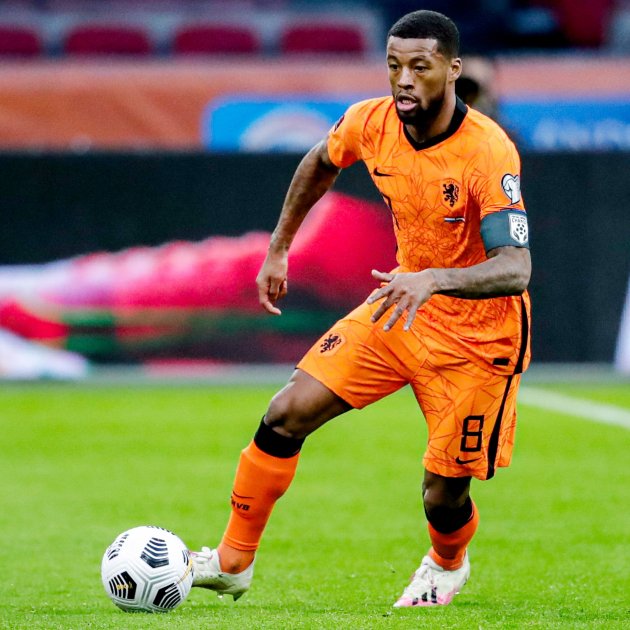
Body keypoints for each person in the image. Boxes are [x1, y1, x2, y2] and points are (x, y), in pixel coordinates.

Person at [190, 9, 532, 608]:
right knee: (286, 412)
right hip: (401, 309)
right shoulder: (370, 122)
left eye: (419, 67)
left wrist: (434, 279)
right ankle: (232, 561)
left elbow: (515, 268)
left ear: (452, 70)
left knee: (441, 497)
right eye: (394, 65)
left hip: (480, 339)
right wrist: (279, 247)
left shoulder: (488, 152)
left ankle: (446, 562)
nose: (403, 80)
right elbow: (320, 162)